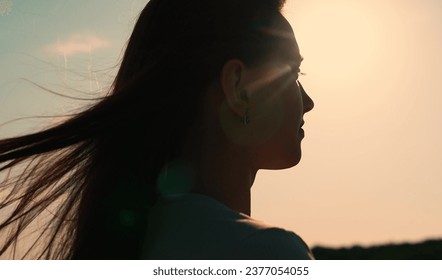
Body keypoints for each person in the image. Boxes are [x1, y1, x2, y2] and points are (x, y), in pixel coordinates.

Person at [0, 0, 314, 259]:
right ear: (239, 89)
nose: (308, 102)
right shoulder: (264, 253)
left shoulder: (128, 245)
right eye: (293, 72)